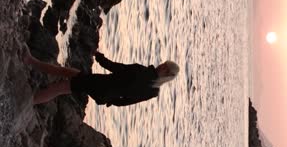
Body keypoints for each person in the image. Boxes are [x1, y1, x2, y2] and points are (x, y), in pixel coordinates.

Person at [24, 48, 179, 106]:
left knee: (60, 87)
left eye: (165, 67)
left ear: (167, 75)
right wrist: (110, 100)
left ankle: (28, 102)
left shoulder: (143, 72)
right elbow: (126, 101)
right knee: (68, 73)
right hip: (104, 93)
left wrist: (98, 56)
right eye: (164, 64)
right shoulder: (153, 92)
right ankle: (33, 61)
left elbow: (115, 67)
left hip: (100, 84)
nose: (161, 65)